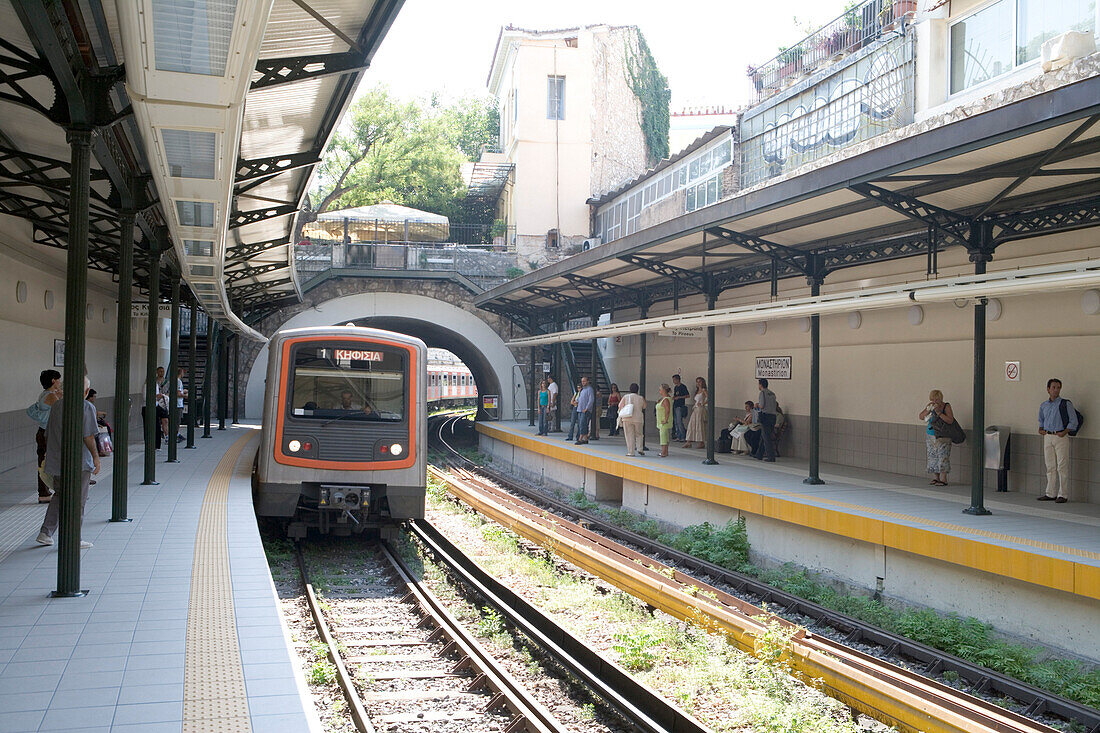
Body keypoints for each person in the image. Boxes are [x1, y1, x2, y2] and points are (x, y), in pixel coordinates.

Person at [36, 376, 99, 549]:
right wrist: (96, 457)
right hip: (78, 462)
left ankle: (46, 532)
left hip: (57, 460)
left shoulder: (57, 406)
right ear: (86, 392)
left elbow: (48, 433)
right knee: (78, 500)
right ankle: (73, 537)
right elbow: (88, 436)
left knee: (59, 495)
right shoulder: (86, 407)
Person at [1037, 378, 1078, 503]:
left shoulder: (1065, 404)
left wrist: (1065, 432)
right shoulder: (1044, 405)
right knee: (1050, 466)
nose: (1056, 390)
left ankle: (1063, 494)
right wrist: (1041, 429)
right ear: (1048, 389)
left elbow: (1073, 421)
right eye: (1053, 387)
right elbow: (1041, 420)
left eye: (1058, 387)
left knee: (1062, 465)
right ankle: (1050, 493)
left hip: (1060, 436)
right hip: (1048, 436)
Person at [32, 369, 62, 503]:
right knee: (45, 463)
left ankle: (45, 491)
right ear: (53, 381)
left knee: (44, 461)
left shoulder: (45, 394)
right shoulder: (50, 395)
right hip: (46, 434)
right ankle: (44, 492)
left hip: (43, 432)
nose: (60, 382)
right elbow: (61, 408)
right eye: (58, 379)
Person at [918, 389, 954, 486]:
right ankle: (936, 477)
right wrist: (928, 409)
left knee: (943, 456)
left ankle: (943, 479)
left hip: (943, 436)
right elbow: (921, 416)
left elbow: (950, 420)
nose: (934, 402)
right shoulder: (930, 406)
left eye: (937, 400)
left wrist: (939, 413)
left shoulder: (946, 406)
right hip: (931, 434)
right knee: (932, 456)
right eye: (932, 399)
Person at [142, 366, 169, 450]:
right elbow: (146, 397)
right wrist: (158, 396)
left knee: (158, 424)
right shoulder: (147, 386)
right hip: (149, 407)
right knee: (152, 426)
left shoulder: (156, 384)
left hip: (156, 406)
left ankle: (158, 443)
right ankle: (152, 444)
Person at [753, 378, 778, 462]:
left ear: (761, 385)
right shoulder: (772, 393)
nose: (758, 386)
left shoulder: (762, 393)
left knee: (766, 437)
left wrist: (757, 405)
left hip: (765, 416)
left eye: (758, 384)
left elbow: (762, 405)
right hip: (773, 416)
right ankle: (759, 454)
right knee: (764, 436)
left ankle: (771, 456)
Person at [618, 383, 647, 456]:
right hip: (638, 418)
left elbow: (620, 406)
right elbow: (644, 406)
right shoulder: (641, 398)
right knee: (639, 434)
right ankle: (640, 448)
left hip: (627, 418)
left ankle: (631, 452)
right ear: (637, 390)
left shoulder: (626, 397)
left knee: (629, 435)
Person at [683, 377, 708, 449]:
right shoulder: (697, 391)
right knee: (692, 424)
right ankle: (689, 441)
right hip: (695, 408)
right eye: (697, 382)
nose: (698, 383)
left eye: (700, 381)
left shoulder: (704, 390)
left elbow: (709, 398)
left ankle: (701, 442)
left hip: (700, 409)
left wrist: (703, 403)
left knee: (699, 425)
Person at [575, 377, 595, 445]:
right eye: (582, 381)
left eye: (584, 381)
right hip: (580, 409)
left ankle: (580, 439)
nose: (583, 383)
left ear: (587, 381)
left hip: (585, 410)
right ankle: (585, 439)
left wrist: (587, 408)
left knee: (583, 424)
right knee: (581, 424)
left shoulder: (589, 389)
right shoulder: (582, 389)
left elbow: (591, 399)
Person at [655, 384, 672, 457]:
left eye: (660, 389)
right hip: (661, 420)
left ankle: (664, 452)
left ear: (664, 390)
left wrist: (665, 419)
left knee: (663, 436)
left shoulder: (666, 400)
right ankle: (665, 451)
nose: (659, 391)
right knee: (665, 435)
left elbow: (667, 410)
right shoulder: (664, 399)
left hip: (663, 421)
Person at [672, 375, 689, 441]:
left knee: (679, 421)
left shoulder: (683, 387)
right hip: (675, 405)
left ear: (678, 379)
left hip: (680, 405)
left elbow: (687, 395)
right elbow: (675, 395)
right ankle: (678, 435)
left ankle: (683, 436)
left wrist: (679, 397)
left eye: (674, 380)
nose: (673, 381)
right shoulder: (675, 387)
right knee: (676, 421)